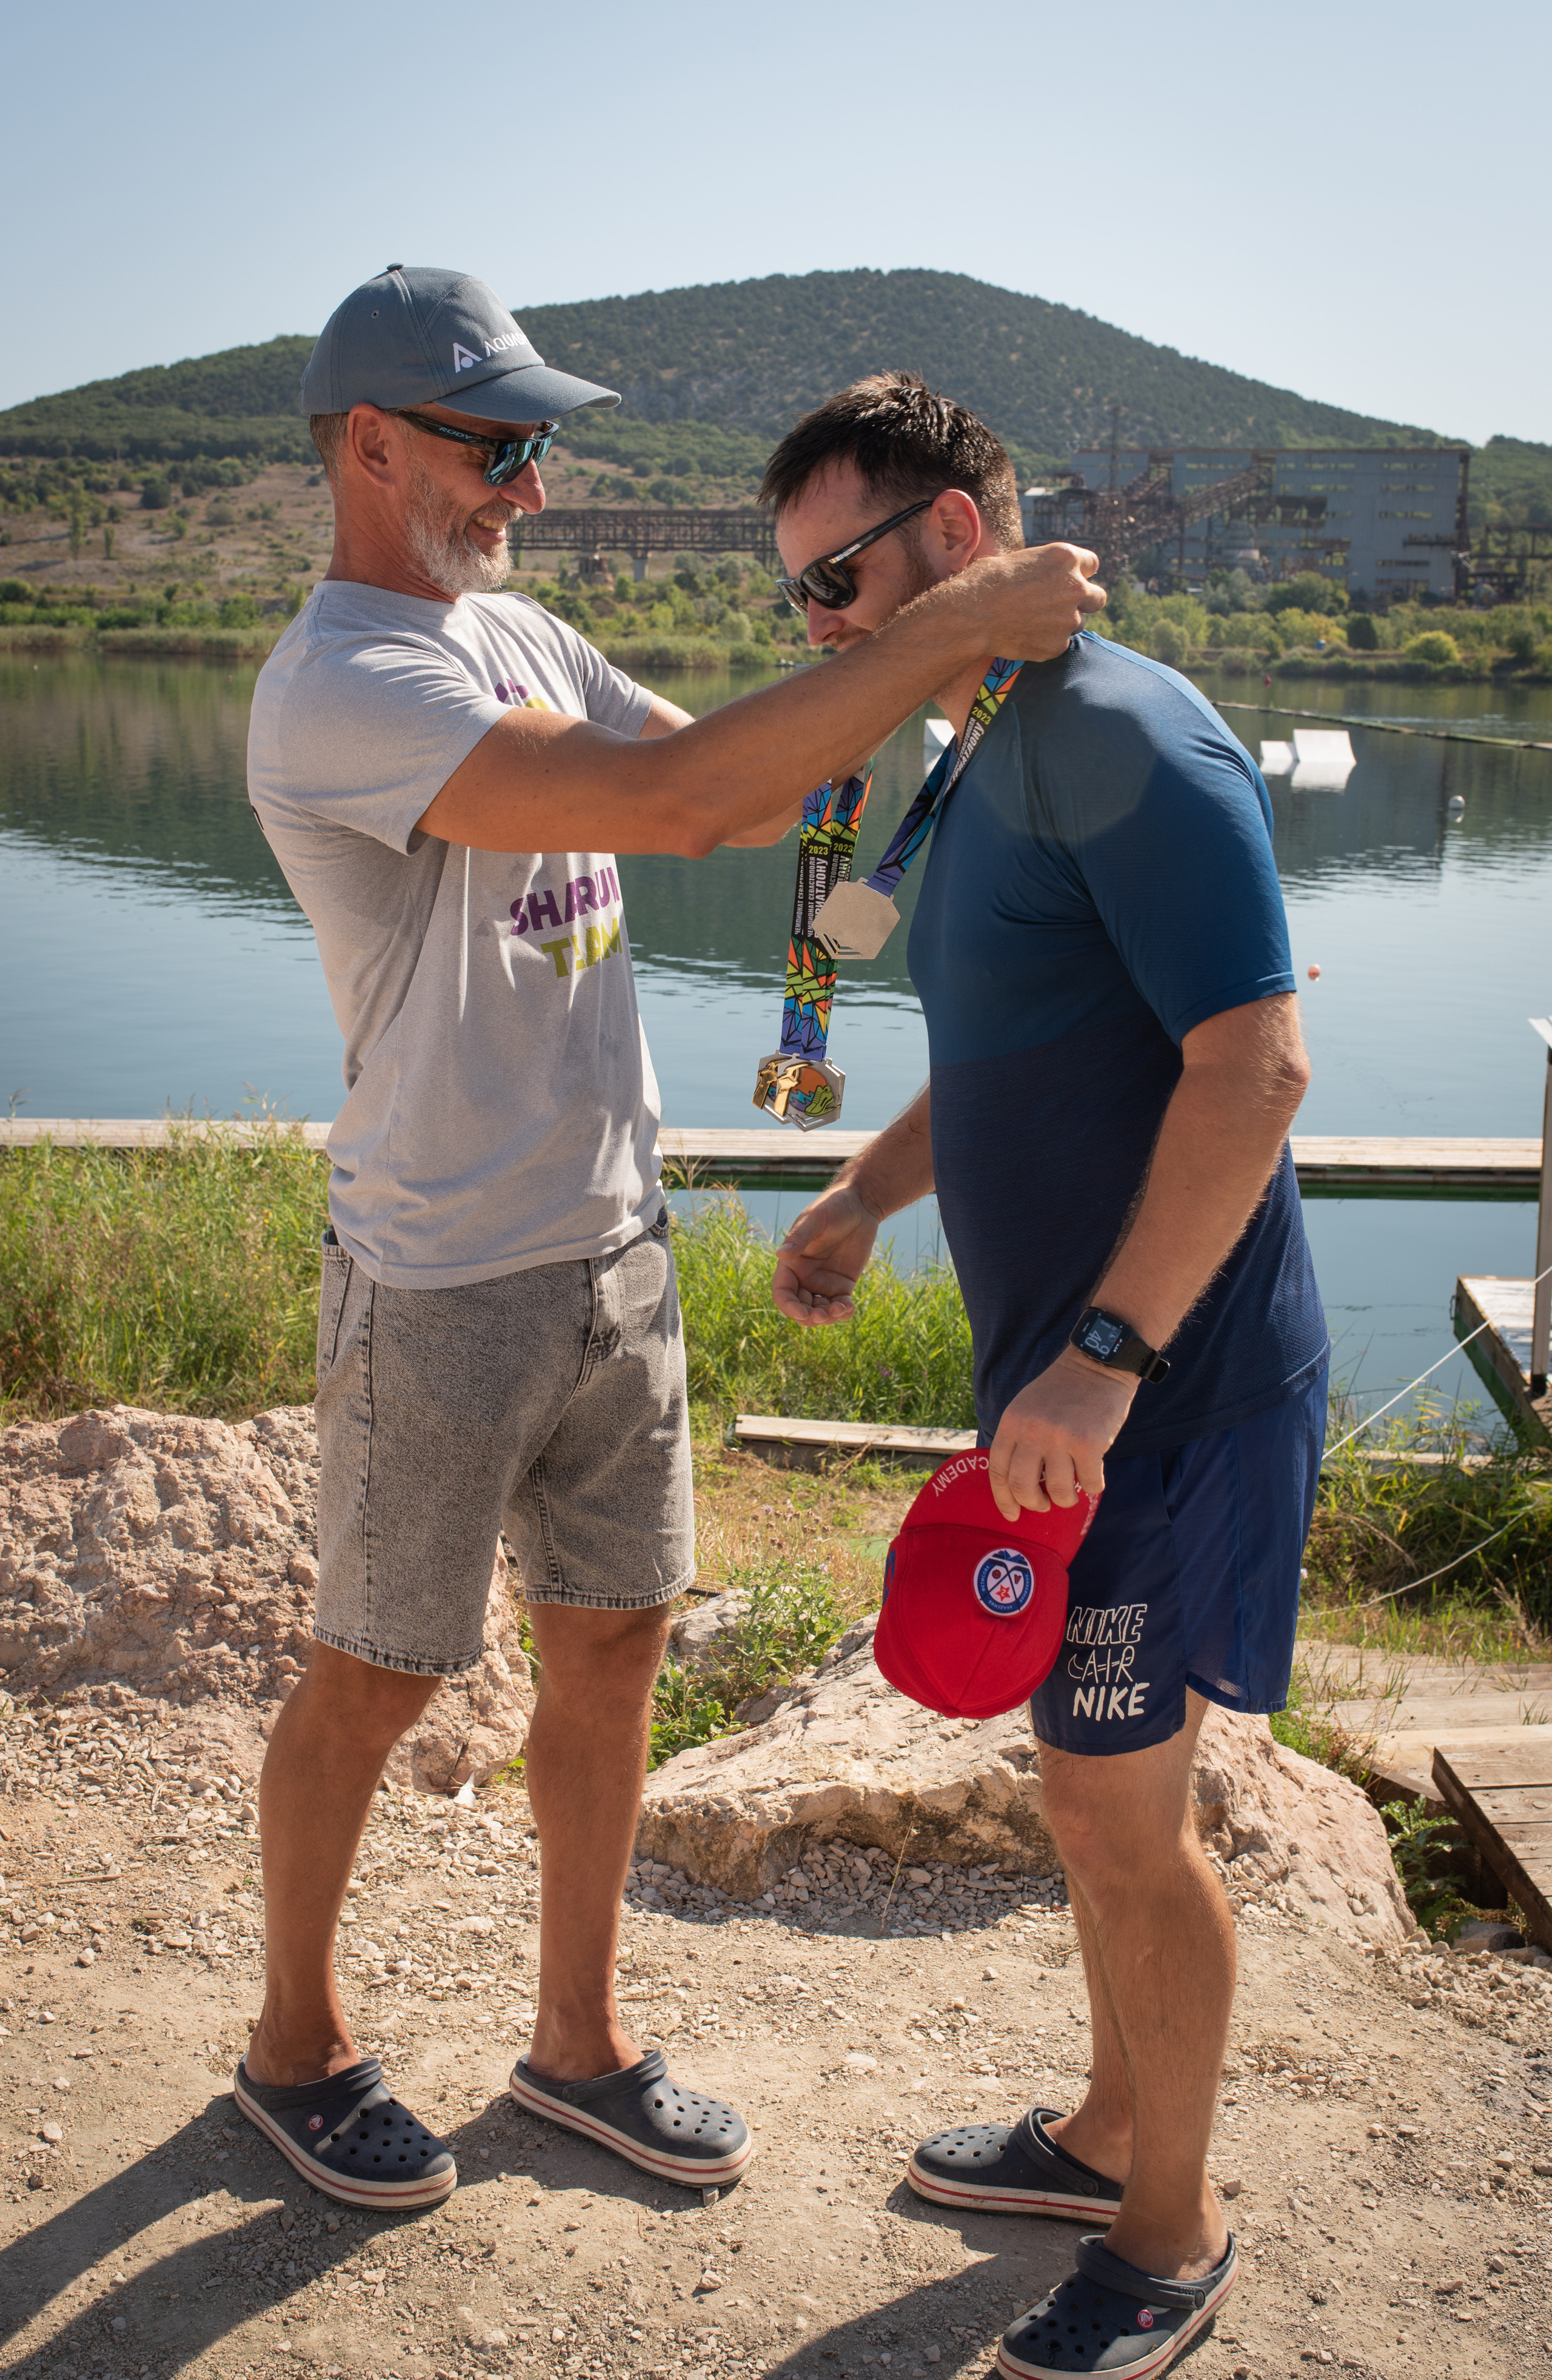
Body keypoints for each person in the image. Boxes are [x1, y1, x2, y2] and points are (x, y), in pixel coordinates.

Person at [239, 269, 1104, 2213]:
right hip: (439, 1270)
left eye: (541, 444)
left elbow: (766, 773)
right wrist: (953, 615)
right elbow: (679, 799)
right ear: (372, 448)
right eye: (499, 443)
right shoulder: (343, 684)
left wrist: (949, 688)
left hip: (611, 1248)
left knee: (614, 1649)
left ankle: (579, 2046)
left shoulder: (516, 630)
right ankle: (292, 2046)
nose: (532, 485)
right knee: (375, 1672)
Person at [764, 373, 1327, 2380]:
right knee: (1093, 1802)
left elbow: (1254, 1069)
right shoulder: (980, 742)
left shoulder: (1118, 732)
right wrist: (861, 1194)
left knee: (1116, 1818)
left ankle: (1167, 2240)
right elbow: (1015, 1040)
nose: (826, 624)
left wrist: (1099, 1357)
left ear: (965, 525)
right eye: (797, 600)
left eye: (844, 575)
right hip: (1077, 1403)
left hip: (1163, 1397)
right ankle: (1104, 2138)